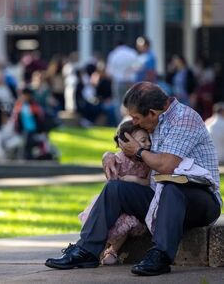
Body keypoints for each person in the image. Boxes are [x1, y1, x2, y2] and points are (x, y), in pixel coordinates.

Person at [45, 82, 221, 276]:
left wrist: (138, 151)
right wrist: (108, 155)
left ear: (153, 113)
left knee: (173, 184)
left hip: (200, 201)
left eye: (136, 118)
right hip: (159, 197)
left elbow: (166, 165)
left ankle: (161, 255)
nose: (134, 122)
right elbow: (125, 143)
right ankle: (86, 250)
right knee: (115, 189)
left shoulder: (184, 118)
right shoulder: (152, 122)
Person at [78, 120, 151, 265]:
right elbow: (110, 183)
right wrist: (107, 155)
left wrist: (133, 179)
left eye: (149, 139)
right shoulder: (117, 160)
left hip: (131, 207)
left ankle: (113, 250)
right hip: (113, 203)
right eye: (144, 140)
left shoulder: (147, 161)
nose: (148, 143)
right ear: (125, 143)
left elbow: (148, 182)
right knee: (105, 220)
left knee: (126, 224)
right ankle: (97, 250)